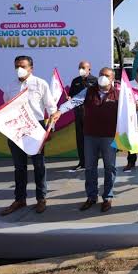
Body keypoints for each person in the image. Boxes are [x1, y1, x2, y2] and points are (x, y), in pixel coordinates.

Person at [51, 67, 119, 212]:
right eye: (101, 75)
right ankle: (91, 197)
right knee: (90, 168)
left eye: (107, 75)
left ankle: (108, 197)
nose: (103, 77)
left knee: (110, 168)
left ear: (112, 78)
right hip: (90, 136)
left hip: (109, 136)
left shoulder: (119, 92)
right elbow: (74, 101)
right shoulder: (89, 90)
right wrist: (59, 111)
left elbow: (132, 107)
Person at [0, 55, 57, 216]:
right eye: (17, 66)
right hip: (16, 129)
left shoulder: (40, 83)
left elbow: (52, 109)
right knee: (19, 167)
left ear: (31, 68)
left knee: (39, 166)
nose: (20, 69)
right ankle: (20, 199)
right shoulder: (10, 86)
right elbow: (5, 108)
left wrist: (50, 130)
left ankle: (41, 199)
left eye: (23, 66)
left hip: (35, 128)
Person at [68, 61, 98, 171]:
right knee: (80, 138)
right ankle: (82, 162)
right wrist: (69, 99)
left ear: (89, 69)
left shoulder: (95, 80)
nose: (81, 69)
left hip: (90, 115)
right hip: (78, 113)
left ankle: (92, 161)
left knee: (90, 139)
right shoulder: (75, 81)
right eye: (79, 67)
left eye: (83, 67)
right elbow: (71, 95)